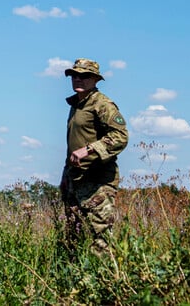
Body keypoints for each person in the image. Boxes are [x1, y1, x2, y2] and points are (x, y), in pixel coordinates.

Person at [59, 58, 128, 254]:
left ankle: (105, 280)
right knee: (74, 235)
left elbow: (120, 136)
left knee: (102, 235)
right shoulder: (77, 104)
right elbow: (74, 144)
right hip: (76, 179)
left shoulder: (102, 104)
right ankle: (75, 278)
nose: (78, 79)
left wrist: (89, 149)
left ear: (95, 79)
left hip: (97, 181)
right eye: (74, 75)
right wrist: (66, 177)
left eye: (84, 76)